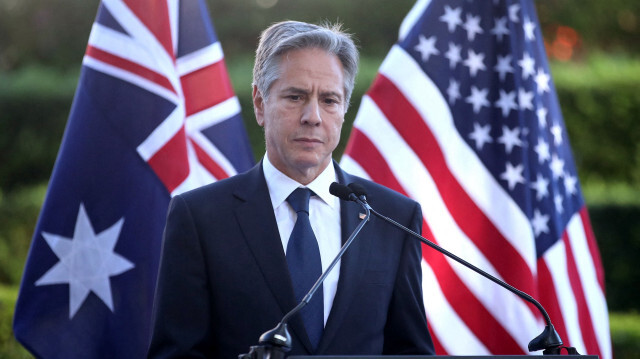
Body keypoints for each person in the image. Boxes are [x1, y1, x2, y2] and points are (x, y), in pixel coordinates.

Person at [147, 20, 435, 358]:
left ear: (344, 110)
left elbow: (410, 350)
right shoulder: (199, 218)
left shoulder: (393, 218)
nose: (313, 116)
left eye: (329, 100)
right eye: (295, 97)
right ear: (259, 102)